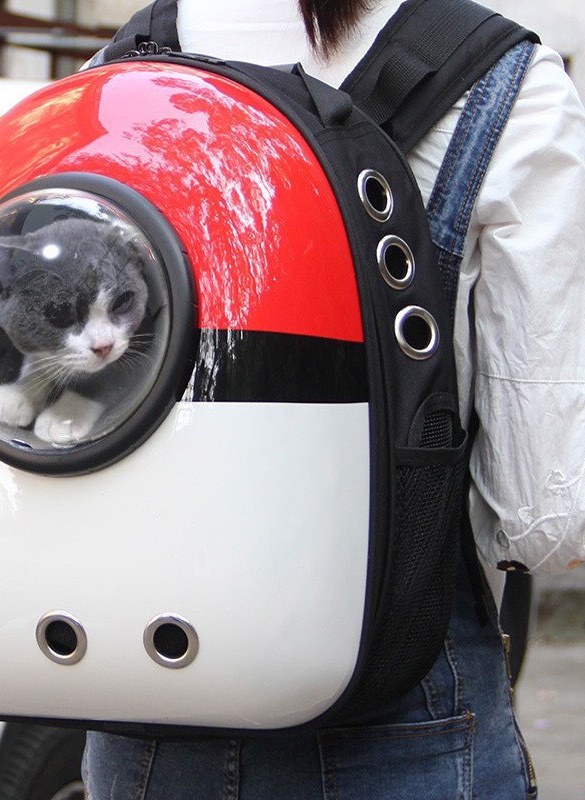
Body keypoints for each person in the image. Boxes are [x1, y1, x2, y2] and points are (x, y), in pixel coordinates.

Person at [82, 1, 585, 797]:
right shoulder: (503, 83)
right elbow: (544, 518)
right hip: (403, 707)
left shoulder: (110, 78)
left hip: (143, 703)